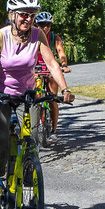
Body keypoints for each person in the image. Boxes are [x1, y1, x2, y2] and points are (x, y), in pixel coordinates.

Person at [0, 0, 72, 209]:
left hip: (27, 94)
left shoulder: (38, 36)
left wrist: (65, 88)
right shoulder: (1, 36)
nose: (27, 19)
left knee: (31, 138)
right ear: (12, 14)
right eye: (23, 15)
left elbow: (52, 64)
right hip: (0, 94)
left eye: (31, 15)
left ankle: (29, 179)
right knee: (0, 144)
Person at [34, 10, 67, 139]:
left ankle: (53, 130)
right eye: (42, 25)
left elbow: (60, 52)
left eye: (48, 25)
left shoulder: (54, 37)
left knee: (53, 99)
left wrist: (63, 64)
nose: (45, 28)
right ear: (37, 25)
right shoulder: (32, 36)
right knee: (33, 98)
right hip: (35, 68)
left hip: (49, 68)